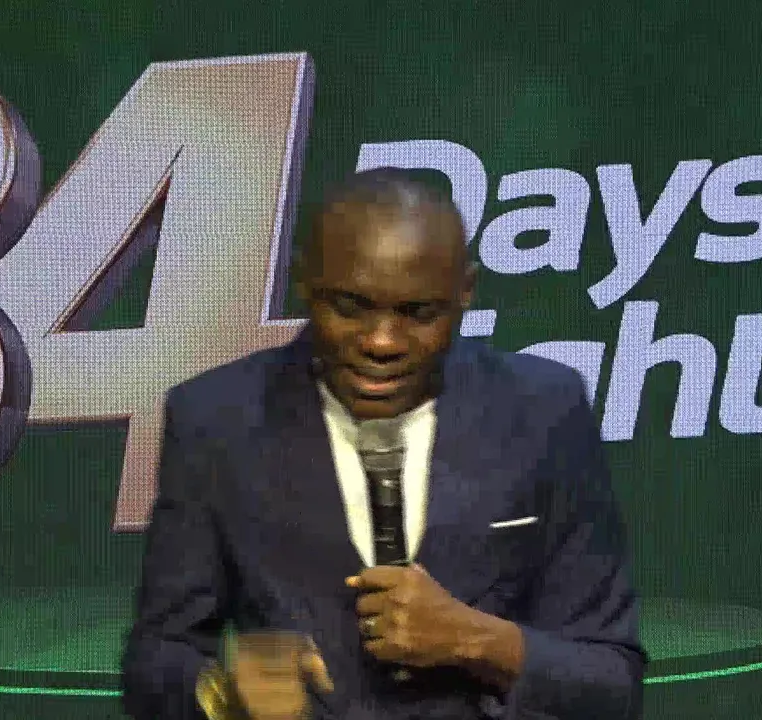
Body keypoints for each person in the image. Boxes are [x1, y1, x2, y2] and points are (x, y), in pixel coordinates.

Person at [121, 168, 646, 720]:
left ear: (464, 291)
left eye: (419, 313)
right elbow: (155, 661)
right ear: (304, 282)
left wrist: (475, 639)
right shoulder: (215, 420)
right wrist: (220, 688)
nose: (382, 342)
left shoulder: (545, 411)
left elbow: (612, 684)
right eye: (350, 306)